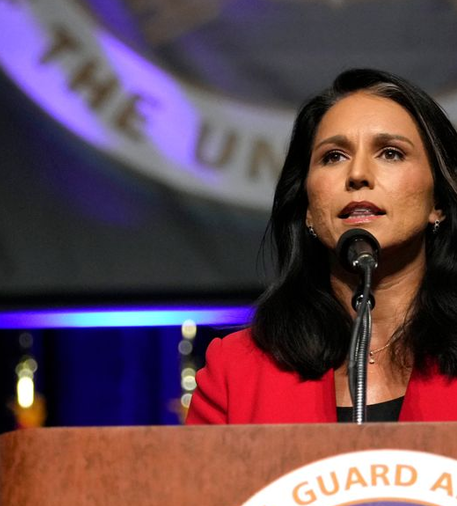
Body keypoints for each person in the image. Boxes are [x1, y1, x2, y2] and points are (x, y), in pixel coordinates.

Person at [188, 68, 457, 425]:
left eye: (390, 153)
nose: (358, 174)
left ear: (437, 203)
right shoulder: (234, 371)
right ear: (308, 211)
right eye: (334, 156)